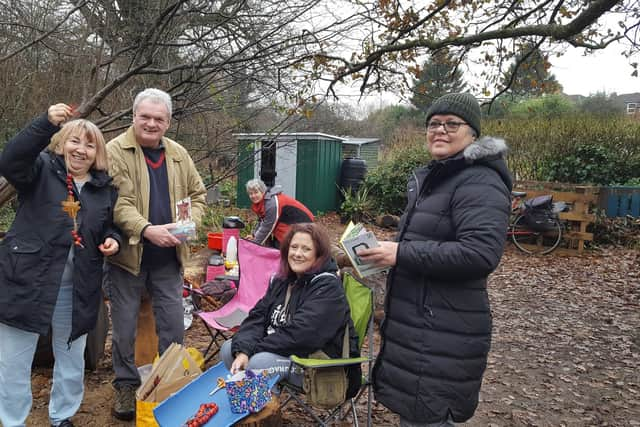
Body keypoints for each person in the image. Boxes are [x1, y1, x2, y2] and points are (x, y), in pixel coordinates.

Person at [358, 93, 512, 426]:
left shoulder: (480, 180)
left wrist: (401, 253)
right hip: (420, 327)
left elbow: (480, 253)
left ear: (472, 133)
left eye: (451, 124)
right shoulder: (437, 177)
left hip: (445, 332)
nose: (440, 130)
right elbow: (426, 241)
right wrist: (385, 251)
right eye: (433, 124)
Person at [0, 104, 121, 427]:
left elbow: (108, 226)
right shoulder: (37, 171)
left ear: (98, 153)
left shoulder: (103, 189)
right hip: (27, 282)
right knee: (14, 361)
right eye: (74, 141)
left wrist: (114, 239)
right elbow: (10, 159)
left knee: (71, 357)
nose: (81, 150)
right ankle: (12, 420)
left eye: (90, 144)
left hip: (77, 287)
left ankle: (62, 415)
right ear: (60, 142)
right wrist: (45, 122)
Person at [105, 88, 206, 421]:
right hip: (128, 259)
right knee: (123, 329)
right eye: (145, 116)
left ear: (168, 122)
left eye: (158, 118)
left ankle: (168, 384)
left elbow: (198, 195)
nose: (151, 123)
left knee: (173, 327)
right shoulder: (114, 151)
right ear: (133, 116)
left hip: (168, 260)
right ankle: (125, 384)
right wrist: (148, 229)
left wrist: (188, 225)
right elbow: (117, 204)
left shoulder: (178, 154)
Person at [221, 223, 361, 397]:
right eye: (294, 247)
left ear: (318, 254)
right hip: (288, 354)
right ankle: (247, 406)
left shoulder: (327, 287)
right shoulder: (283, 280)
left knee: (259, 362)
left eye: (306, 249)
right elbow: (257, 317)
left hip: (320, 366)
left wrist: (253, 350)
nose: (297, 254)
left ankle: (259, 409)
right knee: (230, 349)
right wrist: (243, 350)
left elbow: (302, 335)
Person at [246, 178, 314, 248]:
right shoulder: (262, 202)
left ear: (262, 191)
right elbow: (262, 220)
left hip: (301, 224)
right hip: (286, 224)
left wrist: (252, 245)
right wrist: (254, 235)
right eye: (251, 193)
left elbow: (267, 226)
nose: (253, 196)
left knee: (282, 249)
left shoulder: (271, 204)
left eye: (256, 192)